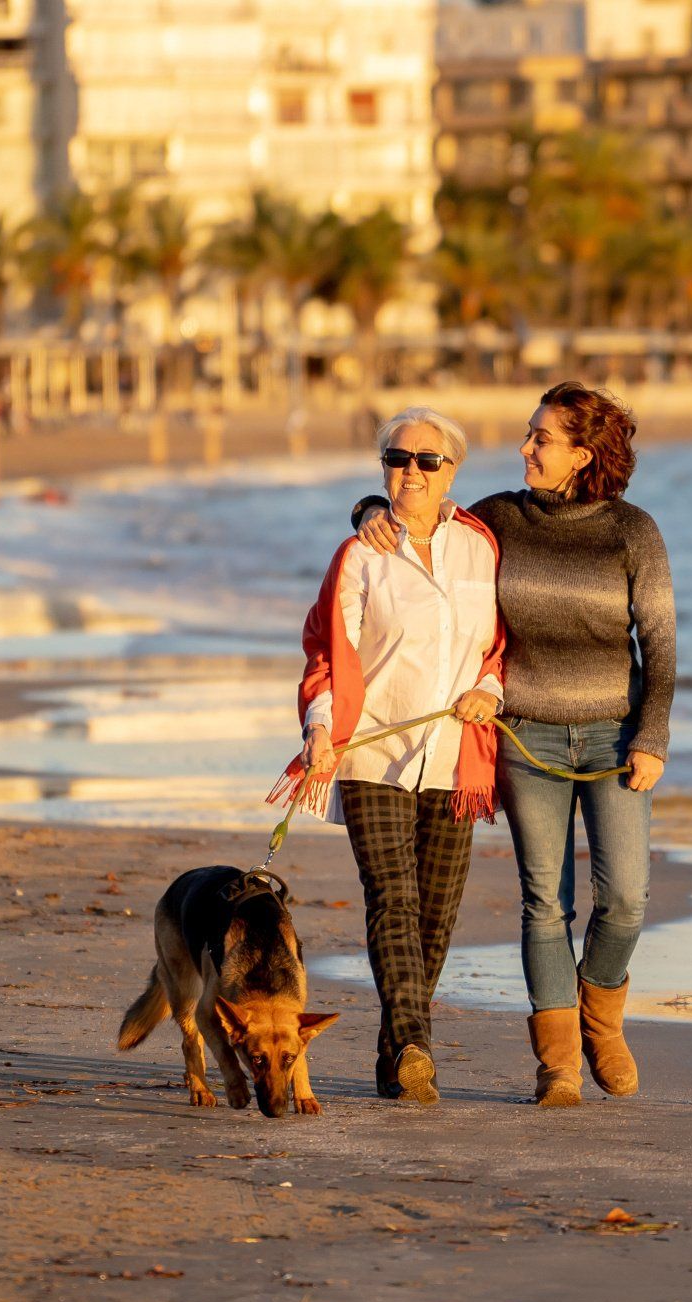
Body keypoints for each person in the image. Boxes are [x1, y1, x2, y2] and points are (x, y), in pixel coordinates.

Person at [355, 381, 673, 1107]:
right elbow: (424, 515)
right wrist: (370, 509)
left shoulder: (634, 532)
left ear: (582, 454)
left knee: (625, 896)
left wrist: (651, 734)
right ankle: (558, 1064)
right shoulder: (500, 518)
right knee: (543, 901)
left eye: (541, 438)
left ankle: (601, 1012)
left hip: (612, 737)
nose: (525, 448)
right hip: (524, 735)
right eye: (529, 435)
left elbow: (660, 643)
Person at [272, 406, 505, 1105]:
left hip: (455, 754)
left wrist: (489, 690)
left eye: (425, 461)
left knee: (436, 911)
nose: (410, 471)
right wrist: (319, 727)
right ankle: (413, 1045)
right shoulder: (361, 553)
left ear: (451, 470)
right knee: (393, 897)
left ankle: (394, 1051)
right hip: (373, 749)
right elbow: (325, 648)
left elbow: (497, 646)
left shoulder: (482, 546)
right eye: (396, 460)